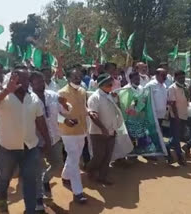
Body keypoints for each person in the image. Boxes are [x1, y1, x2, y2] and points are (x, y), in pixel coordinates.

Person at [0, 65, 52, 214]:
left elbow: (40, 121)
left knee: (30, 180)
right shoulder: (3, 96)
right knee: (5, 176)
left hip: (30, 147)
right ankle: (2, 201)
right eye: (20, 79)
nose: (25, 82)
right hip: (8, 147)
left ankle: (30, 210)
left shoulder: (33, 97)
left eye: (27, 79)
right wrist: (6, 91)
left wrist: (47, 140)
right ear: (12, 79)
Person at [29, 71, 71, 211]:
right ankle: (39, 200)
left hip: (54, 138)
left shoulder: (53, 95)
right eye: (37, 81)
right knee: (36, 170)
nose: (41, 83)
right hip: (37, 141)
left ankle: (45, 179)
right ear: (31, 84)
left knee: (58, 164)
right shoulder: (29, 99)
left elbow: (64, 113)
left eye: (42, 81)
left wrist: (65, 105)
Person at [58, 69, 92, 204]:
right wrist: (65, 120)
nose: (78, 78)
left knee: (75, 156)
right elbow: (55, 114)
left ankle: (65, 175)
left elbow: (83, 108)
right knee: (74, 159)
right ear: (68, 78)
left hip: (82, 130)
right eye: (74, 76)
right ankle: (78, 192)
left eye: (79, 76)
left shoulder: (83, 91)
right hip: (68, 132)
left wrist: (89, 111)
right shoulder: (61, 93)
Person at [87, 73, 123, 185]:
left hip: (111, 131)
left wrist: (117, 99)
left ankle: (102, 177)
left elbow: (117, 110)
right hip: (98, 132)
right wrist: (103, 129)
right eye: (108, 84)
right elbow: (93, 116)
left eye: (111, 84)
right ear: (101, 84)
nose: (111, 85)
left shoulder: (110, 95)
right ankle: (89, 169)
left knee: (108, 156)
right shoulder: (95, 98)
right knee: (98, 156)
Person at [166, 71, 191, 166]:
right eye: (180, 77)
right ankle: (180, 156)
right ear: (175, 78)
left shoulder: (185, 86)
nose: (182, 79)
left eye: (183, 77)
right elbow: (172, 104)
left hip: (184, 114)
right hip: (175, 116)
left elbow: (189, 99)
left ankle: (165, 147)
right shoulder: (172, 88)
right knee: (177, 137)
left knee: (177, 136)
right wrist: (176, 116)